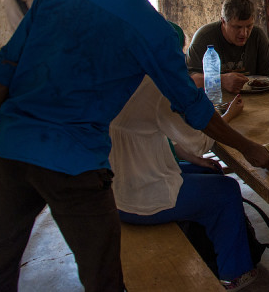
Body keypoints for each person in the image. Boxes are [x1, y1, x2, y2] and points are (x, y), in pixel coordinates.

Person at [0, 0, 269, 292]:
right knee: (102, 271)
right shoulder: (151, 28)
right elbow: (192, 107)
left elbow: (6, 65)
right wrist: (247, 147)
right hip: (74, 162)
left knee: (1, 259)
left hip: (12, 147)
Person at [110, 67, 257, 290]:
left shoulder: (122, 76)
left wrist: (193, 159)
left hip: (116, 189)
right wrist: (228, 116)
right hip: (140, 199)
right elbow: (201, 142)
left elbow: (164, 132)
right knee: (227, 191)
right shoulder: (156, 88)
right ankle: (235, 275)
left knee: (209, 172)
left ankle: (210, 253)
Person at [186, 0, 269, 94]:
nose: (244, 33)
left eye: (249, 26)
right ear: (223, 22)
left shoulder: (258, 37)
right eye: (237, 27)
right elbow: (189, 80)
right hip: (215, 97)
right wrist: (221, 80)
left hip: (254, 97)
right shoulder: (203, 38)